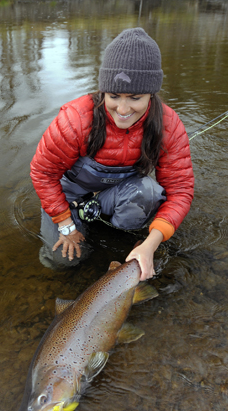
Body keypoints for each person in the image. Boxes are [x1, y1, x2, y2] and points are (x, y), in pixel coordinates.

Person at [30, 28, 194, 281]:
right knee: (62, 261)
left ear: (152, 93)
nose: (123, 109)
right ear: (103, 90)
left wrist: (150, 244)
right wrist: (65, 224)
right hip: (68, 195)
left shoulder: (169, 125)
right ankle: (78, 217)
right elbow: (42, 173)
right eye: (114, 96)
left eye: (135, 97)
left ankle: (117, 228)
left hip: (120, 193)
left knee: (148, 194)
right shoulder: (74, 120)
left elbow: (181, 190)